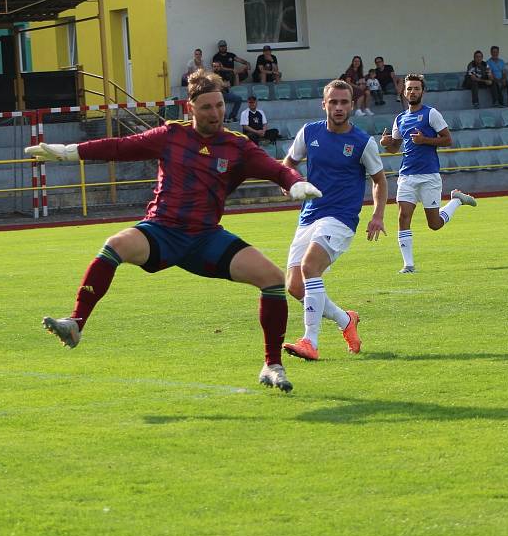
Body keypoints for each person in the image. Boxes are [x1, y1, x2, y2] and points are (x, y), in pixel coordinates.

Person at [25, 70, 322, 393]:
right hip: (162, 231)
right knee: (114, 245)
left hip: (206, 238)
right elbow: (120, 147)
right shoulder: (172, 136)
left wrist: (296, 183)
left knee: (273, 279)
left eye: (220, 106)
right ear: (190, 107)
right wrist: (69, 152)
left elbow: (276, 170)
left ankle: (272, 364)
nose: (216, 113)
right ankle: (76, 324)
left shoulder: (238, 146)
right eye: (207, 107)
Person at [280, 79, 387, 361]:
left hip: (340, 218)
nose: (339, 107)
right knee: (294, 286)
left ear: (352, 105)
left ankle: (310, 341)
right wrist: (287, 181)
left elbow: (379, 180)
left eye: (344, 102)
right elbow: (288, 164)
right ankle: (345, 320)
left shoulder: (363, 142)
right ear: (324, 104)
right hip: (309, 215)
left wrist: (377, 214)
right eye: (333, 102)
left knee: (309, 267)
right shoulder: (309, 133)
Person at [380, 73, 477, 274]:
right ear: (404, 92)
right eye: (409, 89)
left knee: (434, 224)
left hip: (429, 175)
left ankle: (457, 200)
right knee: (402, 216)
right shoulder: (400, 119)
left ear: (422, 91)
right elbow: (395, 148)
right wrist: (387, 143)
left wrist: (425, 140)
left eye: (416, 88)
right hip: (407, 175)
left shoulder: (431, 114)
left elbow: (447, 140)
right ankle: (408, 265)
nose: (412, 92)